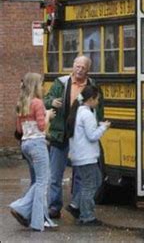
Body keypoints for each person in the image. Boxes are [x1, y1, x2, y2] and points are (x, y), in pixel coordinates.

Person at [44, 55, 104, 219]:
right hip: (60, 133)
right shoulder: (61, 83)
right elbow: (46, 99)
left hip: (79, 136)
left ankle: (77, 206)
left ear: (87, 70)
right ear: (73, 66)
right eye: (77, 66)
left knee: (79, 174)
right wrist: (52, 102)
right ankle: (54, 207)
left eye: (82, 67)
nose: (79, 70)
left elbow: (99, 108)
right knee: (56, 174)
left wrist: (97, 124)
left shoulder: (92, 86)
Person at [9, 73, 57, 231]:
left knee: (39, 181)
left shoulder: (21, 102)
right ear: (36, 85)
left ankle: (41, 218)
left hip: (25, 144)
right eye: (41, 83)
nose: (43, 87)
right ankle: (30, 214)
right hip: (37, 144)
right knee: (43, 182)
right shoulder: (37, 103)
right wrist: (48, 115)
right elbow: (42, 126)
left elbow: (18, 129)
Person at [67, 85, 110, 225]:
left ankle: (75, 205)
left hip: (79, 155)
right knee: (90, 185)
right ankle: (87, 216)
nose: (98, 102)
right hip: (86, 157)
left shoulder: (78, 111)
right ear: (91, 99)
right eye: (97, 99)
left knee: (95, 180)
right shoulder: (87, 114)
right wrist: (103, 127)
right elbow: (92, 136)